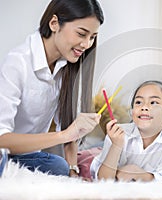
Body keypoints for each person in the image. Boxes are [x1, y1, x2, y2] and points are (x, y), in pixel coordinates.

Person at [0, 0, 104, 176]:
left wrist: (73, 171)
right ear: (54, 23)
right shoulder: (18, 62)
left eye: (92, 37)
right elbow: (1, 139)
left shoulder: (66, 67)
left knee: (59, 166)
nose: (86, 44)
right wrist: (64, 135)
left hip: (26, 157)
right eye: (81, 34)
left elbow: (68, 124)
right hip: (2, 152)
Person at [90, 80, 162, 181]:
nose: (144, 107)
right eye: (138, 102)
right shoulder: (118, 134)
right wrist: (116, 145)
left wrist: (137, 173)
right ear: (132, 111)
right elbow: (103, 180)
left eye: (153, 102)